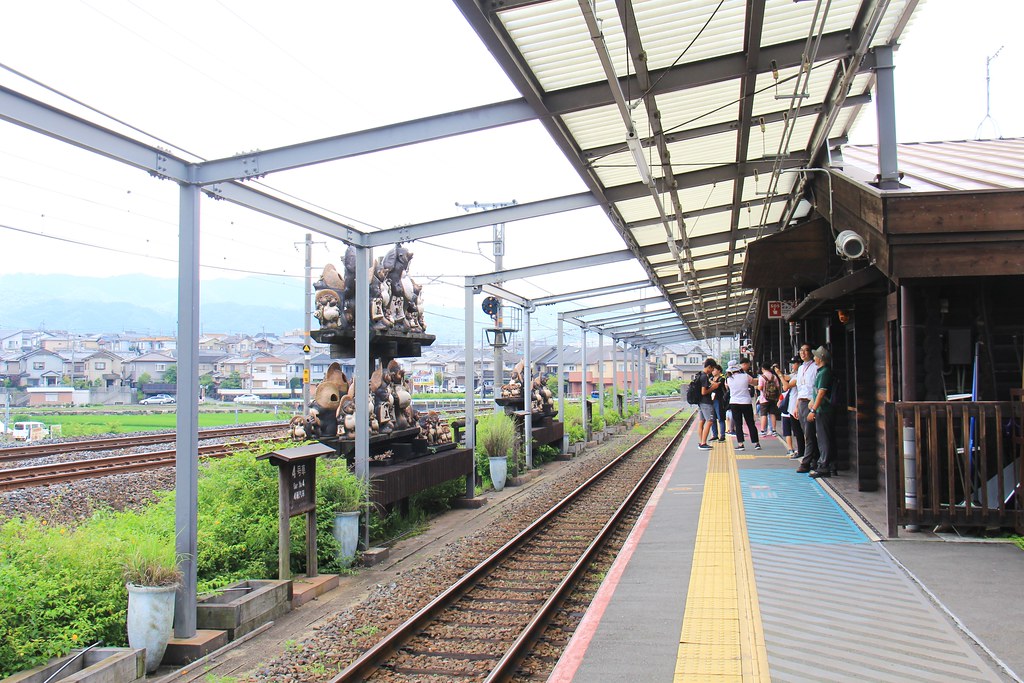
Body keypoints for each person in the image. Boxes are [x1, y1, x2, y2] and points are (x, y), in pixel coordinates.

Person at [807, 345, 836, 478]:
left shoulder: (824, 372)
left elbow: (821, 393)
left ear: (820, 358)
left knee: (823, 437)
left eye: (815, 356)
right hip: (821, 408)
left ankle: (824, 465)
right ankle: (828, 464)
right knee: (823, 437)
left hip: (823, 410)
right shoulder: (822, 371)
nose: (814, 358)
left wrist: (813, 409)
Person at [725, 357, 760, 450]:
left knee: (738, 424)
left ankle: (740, 444)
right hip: (746, 402)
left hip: (734, 403)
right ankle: (756, 443)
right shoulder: (745, 376)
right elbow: (754, 382)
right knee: (750, 423)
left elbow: (727, 388)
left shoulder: (728, 379)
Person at [796, 343, 820, 474]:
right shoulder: (800, 369)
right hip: (801, 402)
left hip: (811, 402)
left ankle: (805, 463)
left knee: (809, 433)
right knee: (806, 433)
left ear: (811, 352)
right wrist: (796, 405)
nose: (803, 353)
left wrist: (814, 405)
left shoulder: (815, 367)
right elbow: (799, 388)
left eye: (806, 350)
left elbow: (817, 388)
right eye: (801, 350)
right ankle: (814, 460)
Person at [779, 355, 803, 458]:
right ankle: (801, 450)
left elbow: (786, 386)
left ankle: (803, 451)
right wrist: (779, 373)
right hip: (792, 406)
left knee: (799, 431)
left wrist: (780, 375)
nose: (792, 365)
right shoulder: (795, 374)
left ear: (799, 364)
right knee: (797, 431)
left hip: (797, 406)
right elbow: (786, 378)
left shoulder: (799, 375)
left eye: (794, 363)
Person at [696, 358, 722, 450]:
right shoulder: (704, 376)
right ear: (709, 367)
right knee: (710, 421)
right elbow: (704, 392)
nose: (712, 371)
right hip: (706, 402)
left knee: (702, 421)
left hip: (700, 402)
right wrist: (713, 387)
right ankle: (703, 443)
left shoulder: (700, 375)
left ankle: (701, 441)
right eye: (712, 368)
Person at [757, 362, 783, 436]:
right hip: (773, 398)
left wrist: (758, 387)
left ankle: (763, 431)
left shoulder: (762, 377)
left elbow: (760, 387)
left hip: (764, 399)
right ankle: (774, 430)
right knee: (772, 414)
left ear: (762, 369)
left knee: (763, 414)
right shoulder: (774, 376)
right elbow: (778, 386)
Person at [709, 363, 727, 442]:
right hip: (712, 399)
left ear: (719, 370)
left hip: (719, 399)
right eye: (712, 370)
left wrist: (710, 381)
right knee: (712, 418)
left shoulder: (722, 378)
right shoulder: (711, 377)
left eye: (714, 370)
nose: (713, 372)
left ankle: (722, 435)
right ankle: (715, 434)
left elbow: (717, 385)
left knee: (720, 417)